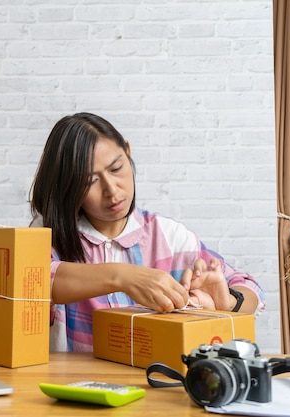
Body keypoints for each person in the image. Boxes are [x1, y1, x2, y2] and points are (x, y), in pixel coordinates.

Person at [29, 112, 265, 352]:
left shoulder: (168, 236)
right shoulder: (47, 234)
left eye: (116, 168)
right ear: (68, 186)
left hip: (152, 382)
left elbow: (249, 286)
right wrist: (123, 277)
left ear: (128, 152)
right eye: (90, 181)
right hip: (72, 385)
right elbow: (29, 281)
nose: (112, 190)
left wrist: (228, 301)